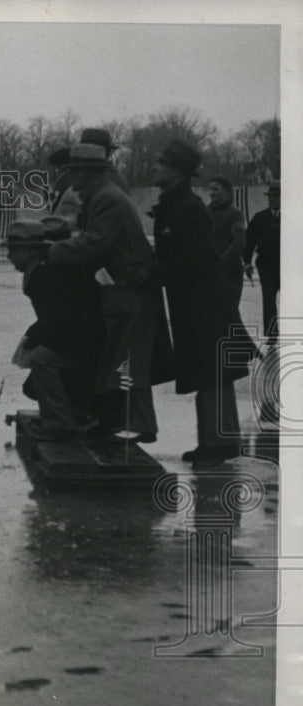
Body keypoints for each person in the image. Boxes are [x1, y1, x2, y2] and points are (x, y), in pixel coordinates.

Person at [46, 142, 174, 444]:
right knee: (126, 358)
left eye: (72, 170)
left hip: (131, 288)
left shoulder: (106, 198)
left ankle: (140, 426)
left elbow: (95, 242)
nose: (69, 175)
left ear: (84, 172)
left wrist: (52, 251)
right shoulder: (101, 195)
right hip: (126, 286)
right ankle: (136, 423)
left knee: (130, 358)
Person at [150, 140, 250, 465]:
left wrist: (152, 271)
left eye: (161, 163)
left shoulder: (188, 207)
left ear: (177, 172)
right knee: (207, 372)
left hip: (203, 302)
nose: (155, 168)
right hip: (194, 301)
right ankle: (214, 441)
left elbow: (192, 259)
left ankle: (220, 444)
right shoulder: (179, 204)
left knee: (212, 373)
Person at [6, 219, 96, 440]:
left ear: (28, 252)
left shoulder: (45, 275)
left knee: (41, 360)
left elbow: (59, 317)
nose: (9, 257)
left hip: (84, 337)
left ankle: (60, 423)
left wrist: (33, 338)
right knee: (38, 368)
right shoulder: (41, 270)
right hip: (77, 333)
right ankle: (58, 416)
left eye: (13, 251)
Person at [243, 181, 280, 343]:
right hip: (267, 265)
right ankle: (272, 334)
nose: (272, 200)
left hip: (291, 266)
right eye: (270, 197)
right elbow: (248, 241)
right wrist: (247, 262)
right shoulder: (260, 218)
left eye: (276, 197)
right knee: (269, 297)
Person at [207, 176, 248, 313]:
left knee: (228, 313)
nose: (212, 192)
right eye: (210, 189)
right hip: (209, 270)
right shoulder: (205, 212)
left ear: (227, 192)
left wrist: (220, 261)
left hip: (229, 271)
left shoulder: (234, 214)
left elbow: (239, 241)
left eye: (216, 189)